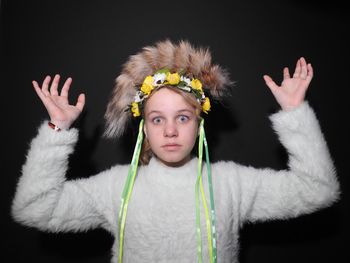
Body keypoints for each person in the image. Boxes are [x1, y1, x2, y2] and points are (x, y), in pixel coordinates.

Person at [11, 40, 340, 263]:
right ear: (144, 127)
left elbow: (318, 191)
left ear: (198, 123)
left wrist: (295, 114)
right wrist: (57, 131)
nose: (170, 130)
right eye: (157, 119)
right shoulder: (118, 187)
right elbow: (34, 210)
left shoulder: (231, 183)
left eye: (182, 117)